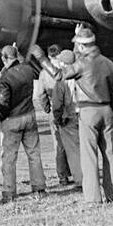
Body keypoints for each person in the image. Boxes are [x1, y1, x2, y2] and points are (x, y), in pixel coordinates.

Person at [54, 24, 113, 203]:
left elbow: (61, 75)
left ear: (82, 47)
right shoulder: (108, 63)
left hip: (88, 111)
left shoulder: (81, 64)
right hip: (107, 109)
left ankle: (93, 198)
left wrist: (41, 59)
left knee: (89, 156)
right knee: (110, 154)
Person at [0, 45, 46, 202]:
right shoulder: (28, 70)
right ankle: (39, 188)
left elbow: (3, 102)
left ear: (4, 59)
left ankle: (9, 192)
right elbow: (21, 63)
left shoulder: (5, 78)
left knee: (9, 157)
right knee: (34, 154)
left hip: (12, 119)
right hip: (29, 115)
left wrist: (0, 116)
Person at [35, 44, 80, 186]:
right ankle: (79, 171)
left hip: (57, 109)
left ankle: (63, 176)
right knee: (77, 143)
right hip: (75, 109)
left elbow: (40, 95)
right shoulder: (70, 69)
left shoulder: (44, 73)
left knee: (59, 145)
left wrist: (47, 109)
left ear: (48, 56)